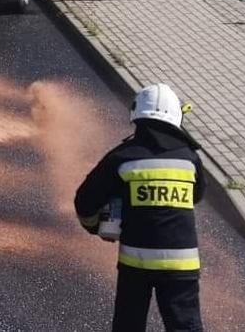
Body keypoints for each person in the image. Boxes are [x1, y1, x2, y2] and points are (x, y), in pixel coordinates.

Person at [74, 83, 207, 332]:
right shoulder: (190, 158)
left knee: (129, 325)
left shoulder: (122, 157)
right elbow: (197, 195)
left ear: (137, 115)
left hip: (136, 263)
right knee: (185, 328)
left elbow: (85, 202)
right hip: (181, 265)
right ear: (176, 116)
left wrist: (96, 226)